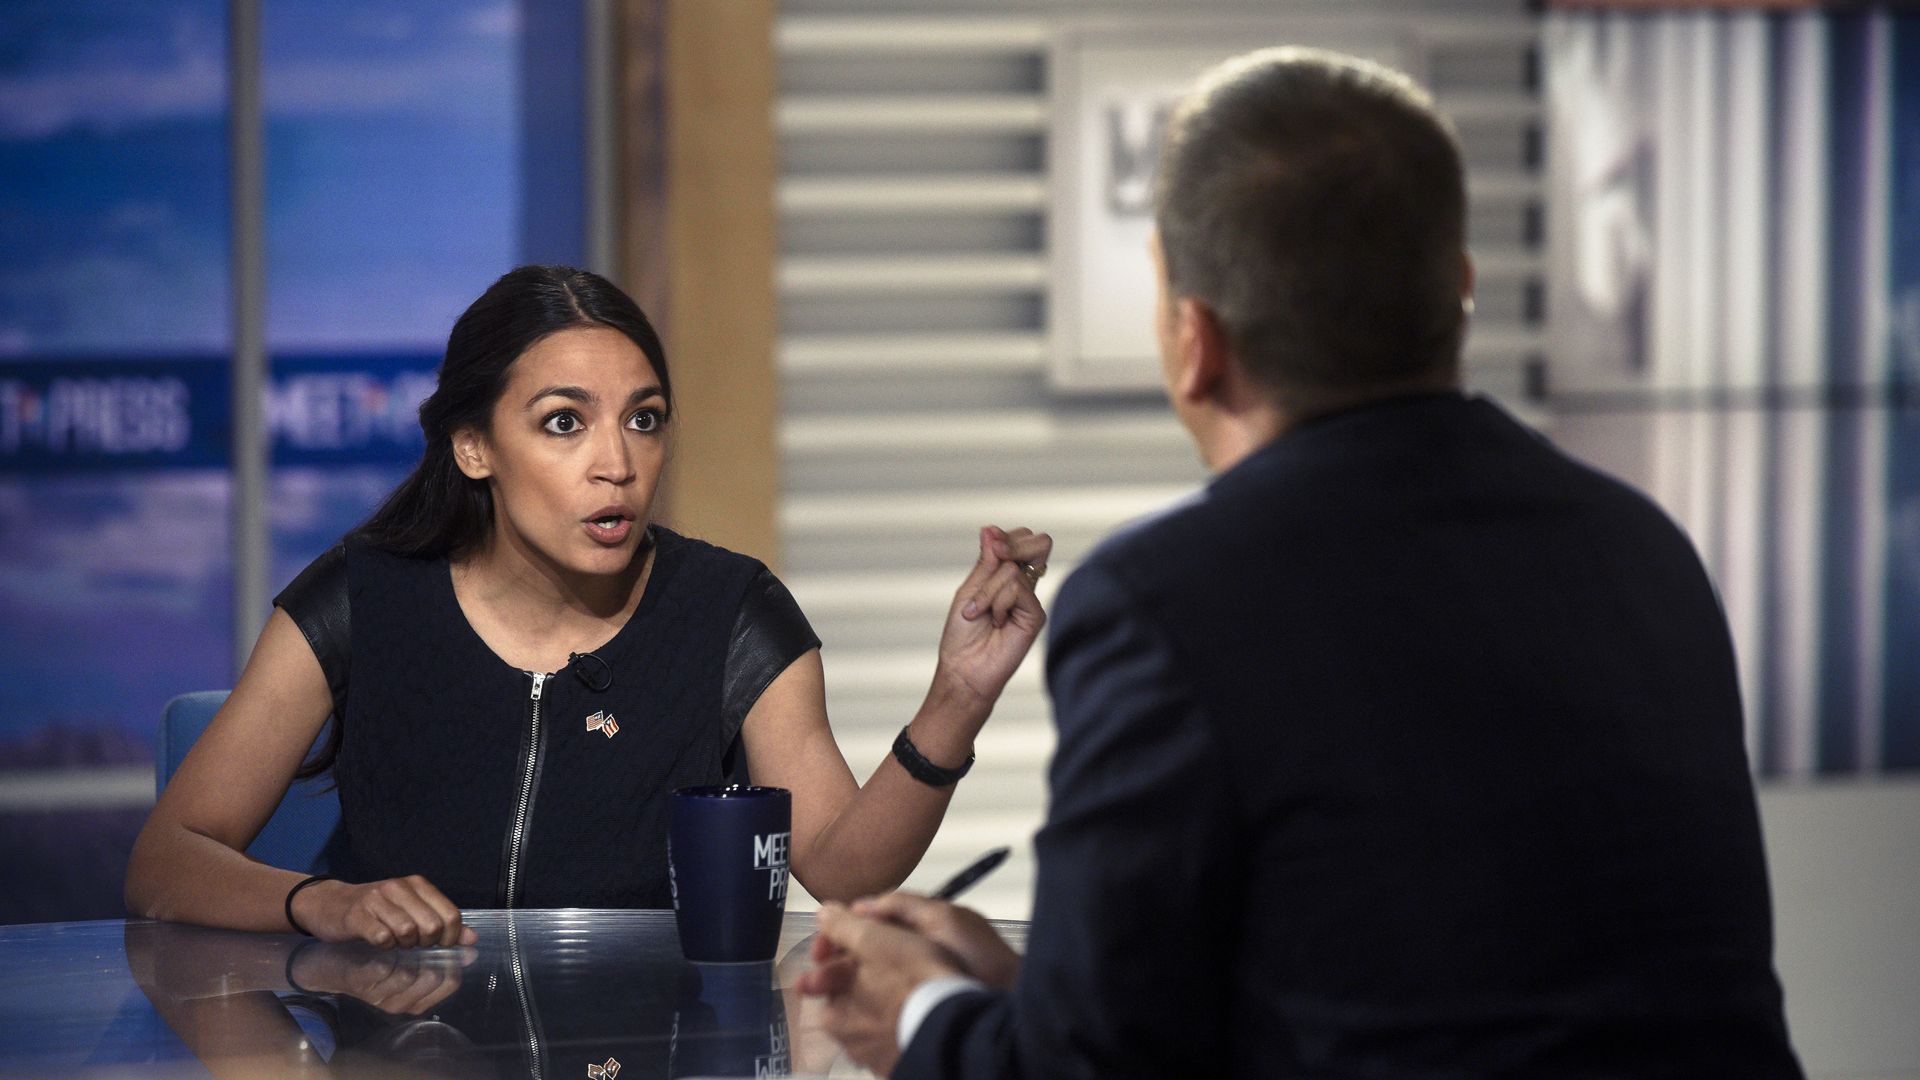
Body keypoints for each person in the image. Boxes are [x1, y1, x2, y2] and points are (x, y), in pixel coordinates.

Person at [798, 48, 1803, 1078]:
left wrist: (923, 1021)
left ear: (1195, 341)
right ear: (1460, 291)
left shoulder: (1164, 604)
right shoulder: (1645, 552)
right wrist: (1030, 986)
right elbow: (1450, 999)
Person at [126, 265, 1052, 949]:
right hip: (397, 1051)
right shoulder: (363, 597)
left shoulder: (732, 611)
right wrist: (319, 902)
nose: (617, 462)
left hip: (644, 1046)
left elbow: (843, 869)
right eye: (564, 422)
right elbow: (166, 862)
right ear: (475, 447)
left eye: (643, 419)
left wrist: (957, 700)